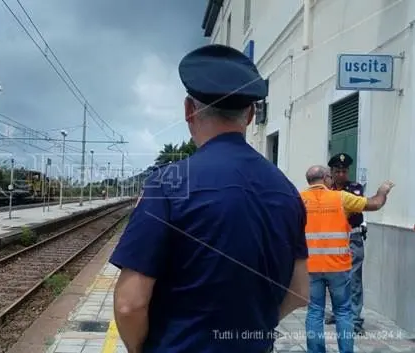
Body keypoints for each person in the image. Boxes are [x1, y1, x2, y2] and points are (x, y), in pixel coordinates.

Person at [108, 43, 310, 353]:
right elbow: (298, 290)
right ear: (251, 114)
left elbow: (128, 304)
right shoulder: (287, 191)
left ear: (189, 110)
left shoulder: (168, 184)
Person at [301, 165, 394, 353]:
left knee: (314, 312)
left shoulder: (298, 200)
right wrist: (382, 191)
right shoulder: (341, 198)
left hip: (310, 267)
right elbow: (374, 204)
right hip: (338, 266)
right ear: (327, 178)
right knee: (343, 312)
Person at [324, 153, 367, 334]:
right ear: (331, 173)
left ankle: (355, 320)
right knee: (336, 280)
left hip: (352, 239)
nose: (342, 174)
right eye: (338, 171)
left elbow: (351, 207)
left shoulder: (354, 189)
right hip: (333, 239)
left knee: (354, 279)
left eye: (344, 171)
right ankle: (338, 312)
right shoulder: (326, 191)